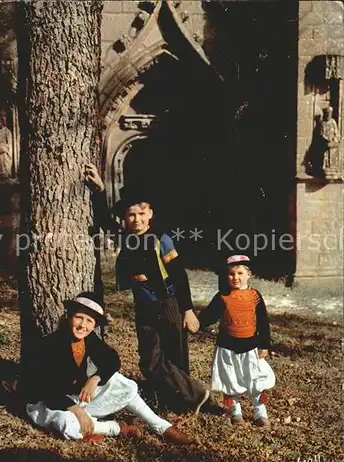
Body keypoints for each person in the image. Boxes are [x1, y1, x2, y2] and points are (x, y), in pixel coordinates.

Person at [84, 164, 210, 414]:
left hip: (169, 304)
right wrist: (98, 191)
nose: (136, 219)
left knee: (175, 357)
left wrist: (187, 310)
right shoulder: (127, 237)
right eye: (131, 215)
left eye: (142, 214)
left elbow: (179, 275)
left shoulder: (161, 240)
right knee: (150, 361)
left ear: (151, 213)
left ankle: (178, 404)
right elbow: (107, 222)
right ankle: (197, 393)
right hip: (145, 308)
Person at [24, 292, 193, 444]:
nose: (83, 325)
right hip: (47, 403)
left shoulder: (88, 339)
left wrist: (95, 378)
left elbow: (112, 360)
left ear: (94, 325)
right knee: (68, 424)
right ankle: (116, 428)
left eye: (89, 321)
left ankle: (161, 427)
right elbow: (46, 388)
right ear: (69, 317)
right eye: (79, 317)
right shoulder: (51, 344)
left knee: (121, 383)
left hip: (74, 395)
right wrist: (78, 412)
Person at [199, 255, 275, 427]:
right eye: (231, 274)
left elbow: (263, 321)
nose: (236, 278)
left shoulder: (255, 296)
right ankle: (236, 412)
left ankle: (260, 413)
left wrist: (264, 344)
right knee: (230, 380)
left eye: (240, 273)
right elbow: (209, 316)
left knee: (256, 380)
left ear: (249, 274)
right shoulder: (223, 296)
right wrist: (195, 323)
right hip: (227, 347)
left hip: (251, 347)